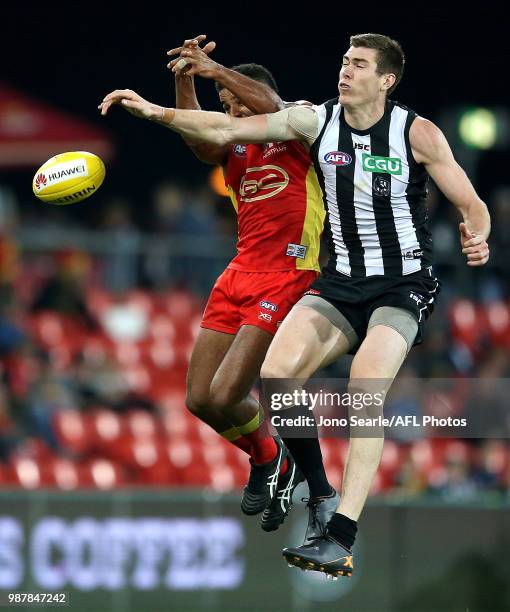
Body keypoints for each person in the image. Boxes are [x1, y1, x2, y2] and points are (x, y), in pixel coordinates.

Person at [99, 32, 490, 576]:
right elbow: (226, 128)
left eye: (359, 64)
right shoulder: (316, 121)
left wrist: (479, 231)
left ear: (386, 80)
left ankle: (340, 533)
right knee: (277, 374)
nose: (346, 70)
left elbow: (469, 198)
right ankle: (313, 488)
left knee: (364, 391)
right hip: (338, 282)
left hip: (400, 284)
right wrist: (154, 109)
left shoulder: (414, 131)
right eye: (344, 61)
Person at [139, 35, 326, 528]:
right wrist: (185, 84)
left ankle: (277, 461)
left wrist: (214, 68)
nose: (230, 111)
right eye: (224, 107)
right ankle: (270, 459)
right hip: (238, 272)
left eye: (233, 102)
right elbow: (202, 140)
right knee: (199, 398)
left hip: (288, 273)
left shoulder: (304, 126)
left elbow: (272, 106)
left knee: (226, 395)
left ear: (255, 93)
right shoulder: (236, 144)